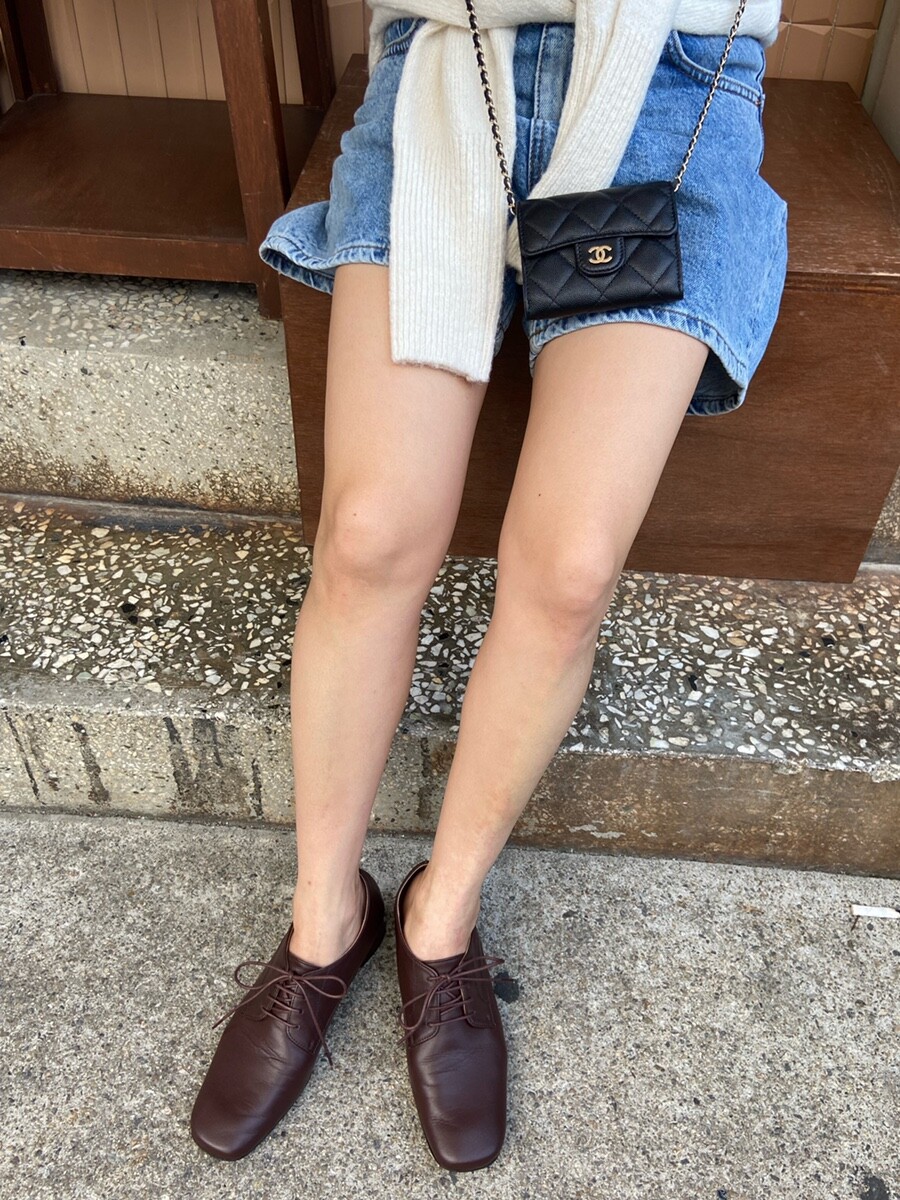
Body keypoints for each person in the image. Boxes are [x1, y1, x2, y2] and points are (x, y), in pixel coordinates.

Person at [190, 0, 786, 1173]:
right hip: (447, 57)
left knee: (569, 571)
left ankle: (440, 914)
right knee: (367, 535)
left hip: (671, 75)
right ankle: (327, 922)